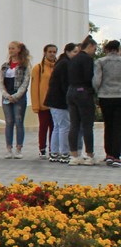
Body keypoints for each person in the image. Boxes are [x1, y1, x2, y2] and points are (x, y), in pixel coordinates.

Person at [44, 43, 77, 164]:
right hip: (60, 101)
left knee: (57, 127)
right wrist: (69, 99)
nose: (76, 54)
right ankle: (64, 153)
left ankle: (54, 152)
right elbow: (65, 84)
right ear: (68, 52)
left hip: (53, 100)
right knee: (64, 127)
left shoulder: (61, 62)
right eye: (74, 52)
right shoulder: (65, 64)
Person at [67, 35, 98, 165]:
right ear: (90, 46)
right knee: (87, 125)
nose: (94, 52)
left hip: (71, 92)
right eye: (95, 49)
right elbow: (88, 77)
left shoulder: (73, 58)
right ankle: (89, 155)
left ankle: (74, 156)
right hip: (83, 92)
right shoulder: (87, 59)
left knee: (74, 125)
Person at [0, 41, 31, 159]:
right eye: (9, 48)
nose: (10, 50)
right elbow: (0, 83)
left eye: (13, 48)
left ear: (18, 50)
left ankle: (19, 148)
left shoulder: (24, 66)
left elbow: (25, 83)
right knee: (9, 122)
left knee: (19, 121)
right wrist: (6, 95)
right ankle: (8, 148)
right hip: (7, 96)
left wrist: (16, 96)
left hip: (19, 97)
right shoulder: (4, 66)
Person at [95, 40, 121, 167]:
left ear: (107, 49)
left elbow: (96, 81)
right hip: (119, 96)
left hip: (105, 96)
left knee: (108, 125)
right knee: (118, 126)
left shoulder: (101, 61)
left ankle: (109, 154)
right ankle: (117, 156)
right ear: (118, 49)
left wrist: (97, 91)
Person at [31, 44, 57, 158]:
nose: (52, 54)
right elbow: (34, 87)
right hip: (43, 103)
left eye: (54, 52)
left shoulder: (59, 66)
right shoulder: (38, 68)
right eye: (50, 52)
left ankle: (53, 148)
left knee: (55, 127)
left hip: (56, 103)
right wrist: (36, 105)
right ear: (45, 53)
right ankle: (42, 148)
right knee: (43, 127)